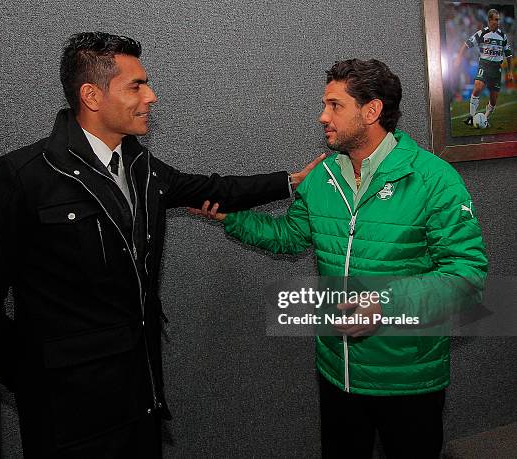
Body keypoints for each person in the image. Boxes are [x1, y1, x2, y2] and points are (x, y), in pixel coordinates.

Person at [0, 32, 323, 457]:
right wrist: (36, 380)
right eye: (136, 85)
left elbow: (212, 188)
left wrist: (290, 182)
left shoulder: (140, 165)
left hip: (140, 402)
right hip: (71, 423)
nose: (151, 96)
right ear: (92, 95)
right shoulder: (23, 177)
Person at [191, 59, 488, 458]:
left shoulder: (434, 179)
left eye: (334, 105)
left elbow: (465, 277)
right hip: (338, 371)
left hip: (406, 377)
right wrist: (233, 218)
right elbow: (290, 237)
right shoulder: (323, 176)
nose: (322, 117)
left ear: (372, 111)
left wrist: (384, 304)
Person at [454, 8, 513, 126]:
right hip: (484, 65)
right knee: (477, 87)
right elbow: (466, 45)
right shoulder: (482, 33)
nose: (497, 22)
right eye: (495, 19)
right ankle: (471, 116)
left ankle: (485, 118)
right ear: (489, 20)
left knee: (493, 99)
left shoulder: (503, 36)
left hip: (496, 69)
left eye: (498, 20)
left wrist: (510, 71)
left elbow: (508, 54)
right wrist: (458, 58)